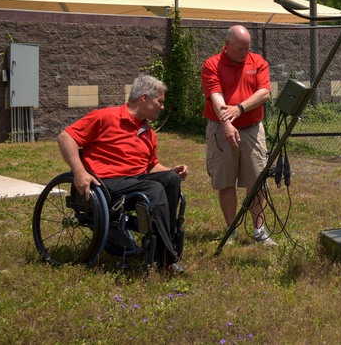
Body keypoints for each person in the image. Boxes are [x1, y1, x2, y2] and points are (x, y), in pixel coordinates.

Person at [57, 74, 188, 272]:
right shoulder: (105, 117)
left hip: (135, 181)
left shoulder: (148, 131)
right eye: (159, 102)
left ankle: (162, 244)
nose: (162, 107)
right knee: (152, 187)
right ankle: (165, 259)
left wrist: (172, 171)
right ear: (144, 98)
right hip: (106, 184)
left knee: (169, 180)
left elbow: (151, 166)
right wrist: (79, 171)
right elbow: (66, 137)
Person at [201, 24, 275, 246]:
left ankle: (259, 230)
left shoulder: (257, 62)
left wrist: (239, 108)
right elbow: (215, 95)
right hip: (220, 127)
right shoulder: (212, 64)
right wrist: (226, 122)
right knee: (225, 181)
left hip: (252, 128)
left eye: (247, 48)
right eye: (240, 49)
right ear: (227, 45)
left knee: (257, 181)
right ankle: (231, 229)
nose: (245, 53)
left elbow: (264, 93)